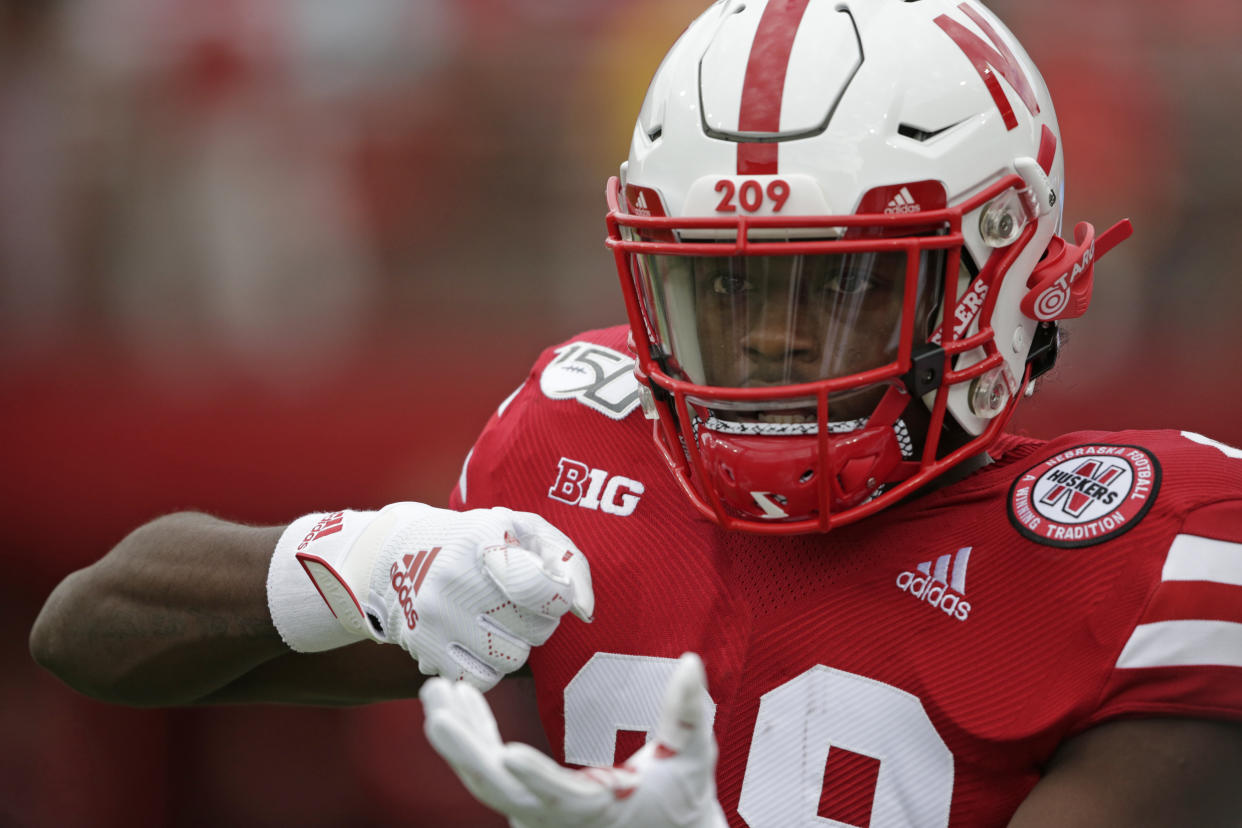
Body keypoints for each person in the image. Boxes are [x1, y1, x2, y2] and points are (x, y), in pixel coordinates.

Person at [31, 0, 1242, 825]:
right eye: (722, 283)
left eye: (837, 285)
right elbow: (86, 636)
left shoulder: (1152, 549)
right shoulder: (578, 453)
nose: (768, 337)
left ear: (1005, 272)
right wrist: (361, 563)